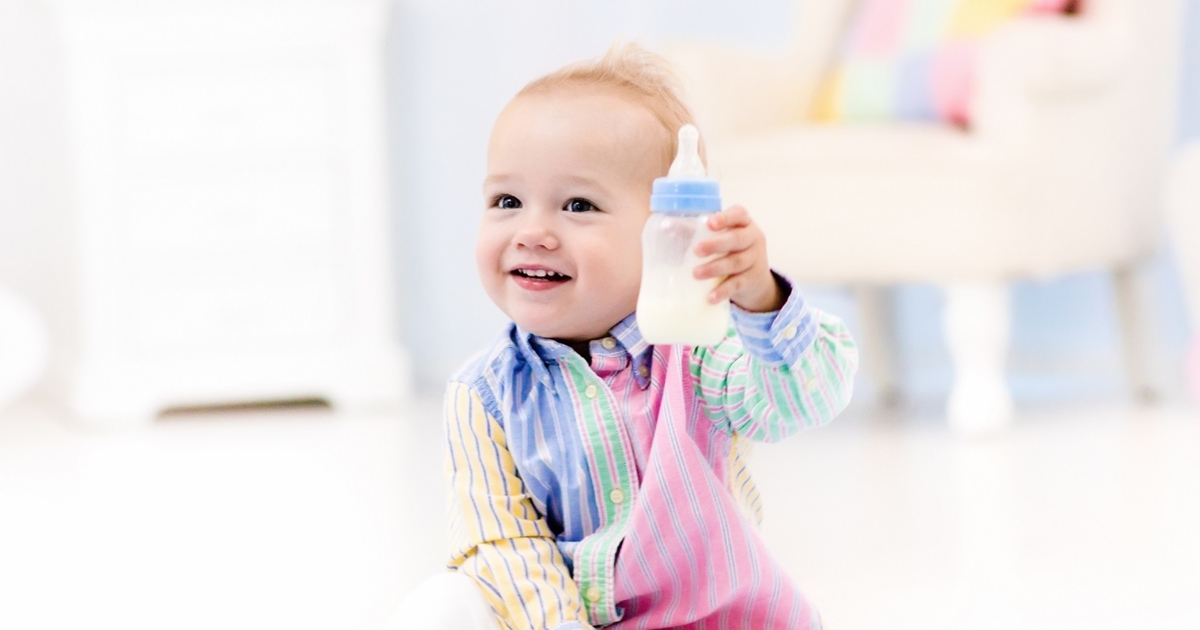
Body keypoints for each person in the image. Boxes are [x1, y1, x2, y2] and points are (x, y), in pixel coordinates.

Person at [390, 42, 859, 630]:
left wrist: (761, 299)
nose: (532, 231)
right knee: (444, 602)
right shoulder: (482, 396)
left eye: (578, 204)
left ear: (667, 233)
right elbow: (504, 545)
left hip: (715, 621)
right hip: (559, 620)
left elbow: (805, 397)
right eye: (507, 200)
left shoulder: (700, 352)